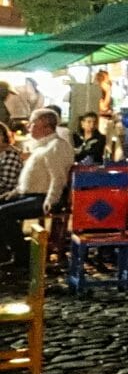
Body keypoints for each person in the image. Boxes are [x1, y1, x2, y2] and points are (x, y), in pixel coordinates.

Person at [1, 108, 74, 278]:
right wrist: (14, 193)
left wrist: (51, 200)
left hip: (43, 198)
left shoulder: (56, 146)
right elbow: (32, 177)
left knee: (3, 214)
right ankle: (6, 252)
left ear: (47, 127)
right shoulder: (42, 146)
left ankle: (24, 257)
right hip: (30, 194)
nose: (29, 127)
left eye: (33, 124)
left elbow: (58, 178)